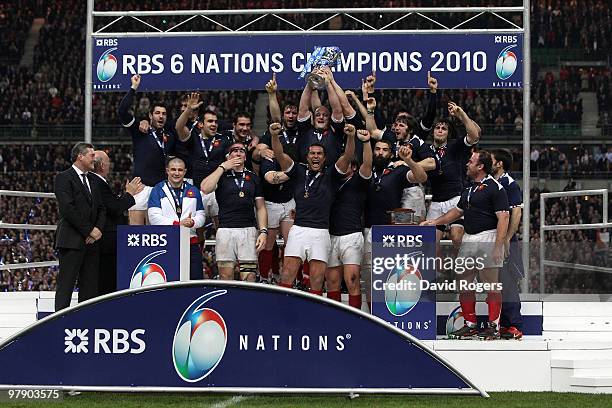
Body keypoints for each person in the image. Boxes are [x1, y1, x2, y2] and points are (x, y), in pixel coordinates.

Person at [422, 150, 509, 340]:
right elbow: (456, 212)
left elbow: (503, 217)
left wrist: (498, 246)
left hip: (488, 237)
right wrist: (434, 222)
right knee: (463, 281)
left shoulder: (495, 187)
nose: (467, 164)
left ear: (480, 167)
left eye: (471, 162)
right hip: (469, 237)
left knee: (491, 284)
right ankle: (470, 324)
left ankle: (493, 327)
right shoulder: (469, 190)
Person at [268, 122, 355, 295]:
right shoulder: (299, 171)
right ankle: (283, 313)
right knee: (287, 274)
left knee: (316, 280)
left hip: (321, 231)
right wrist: (274, 135)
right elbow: (279, 154)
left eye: (319, 154)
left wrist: (351, 137)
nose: (315, 157)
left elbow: (348, 155)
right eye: (312, 154)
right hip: (299, 229)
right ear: (307, 156)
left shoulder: (331, 174)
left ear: (325, 158)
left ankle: (313, 317)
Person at [362, 139, 428, 307]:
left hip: (390, 232)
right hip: (366, 228)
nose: (380, 153)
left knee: (390, 277)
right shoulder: (365, 170)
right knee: (370, 278)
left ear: (391, 153)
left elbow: (422, 176)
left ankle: (389, 316)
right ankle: (372, 316)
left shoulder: (397, 170)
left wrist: (409, 161)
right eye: (377, 149)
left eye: (384, 150)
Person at [201, 142, 267, 281]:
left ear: (245, 156)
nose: (238, 153)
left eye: (241, 151)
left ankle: (247, 303)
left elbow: (260, 207)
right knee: (225, 276)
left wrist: (263, 231)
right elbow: (205, 188)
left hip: (248, 230)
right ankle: (227, 303)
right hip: (226, 230)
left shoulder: (253, 177)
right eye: (234, 151)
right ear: (228, 155)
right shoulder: (221, 175)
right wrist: (223, 167)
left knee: (249, 277)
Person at [118, 74, 177, 225]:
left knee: (156, 235)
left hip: (160, 188)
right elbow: (122, 112)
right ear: (150, 115)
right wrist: (133, 88)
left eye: (164, 114)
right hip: (140, 187)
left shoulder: (170, 136)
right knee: (135, 234)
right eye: (157, 113)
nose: (161, 116)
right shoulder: (140, 130)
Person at [54, 142, 106, 311]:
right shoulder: (63, 177)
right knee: (66, 286)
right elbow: (68, 209)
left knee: (90, 287)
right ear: (80, 156)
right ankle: (59, 324)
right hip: (71, 241)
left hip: (93, 242)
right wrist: (90, 230)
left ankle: (87, 322)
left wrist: (98, 229)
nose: (95, 159)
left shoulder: (93, 180)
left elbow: (101, 208)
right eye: (91, 155)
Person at [326, 129, 373, 309]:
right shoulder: (331, 180)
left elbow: (367, 163)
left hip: (352, 235)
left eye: (347, 164)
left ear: (353, 167)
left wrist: (366, 142)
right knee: (332, 282)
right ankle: (333, 319)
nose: (342, 165)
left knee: (352, 279)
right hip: (330, 235)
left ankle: (354, 318)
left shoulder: (359, 181)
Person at [426, 102, 481, 250]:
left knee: (457, 238)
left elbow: (474, 135)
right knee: (430, 244)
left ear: (448, 133)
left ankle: (461, 272)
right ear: (433, 132)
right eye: (437, 127)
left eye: (444, 128)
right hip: (436, 201)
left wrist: (460, 114)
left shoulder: (454, 146)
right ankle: (440, 273)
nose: (440, 130)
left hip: (455, 199)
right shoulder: (426, 150)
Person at [91, 150, 144, 295]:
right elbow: (114, 208)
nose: (110, 165)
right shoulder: (97, 182)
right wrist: (129, 194)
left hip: (105, 241)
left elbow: (110, 203)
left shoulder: (96, 182)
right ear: (102, 165)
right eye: (108, 162)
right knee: (107, 284)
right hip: (107, 243)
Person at [148, 157, 206, 280]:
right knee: (168, 281)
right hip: (167, 243)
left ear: (185, 172)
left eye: (180, 170)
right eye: (173, 169)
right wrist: (178, 224)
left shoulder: (193, 190)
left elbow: (201, 216)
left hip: (191, 243)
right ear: (167, 171)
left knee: (195, 281)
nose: (176, 173)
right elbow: (154, 218)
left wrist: (192, 222)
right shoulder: (158, 190)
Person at [491, 148, 524, 340]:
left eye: (492, 160)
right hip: (491, 239)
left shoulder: (509, 184)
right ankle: (501, 323)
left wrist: (507, 239)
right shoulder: (489, 183)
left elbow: (516, 213)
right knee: (493, 282)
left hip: (504, 240)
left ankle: (513, 324)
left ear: (499, 164)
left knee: (507, 281)